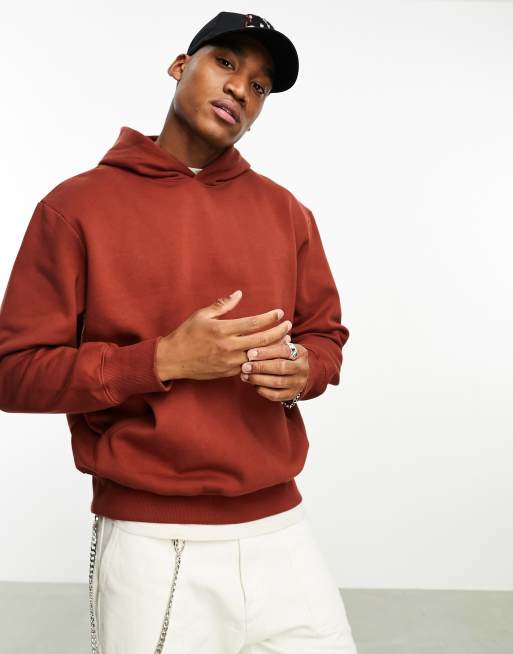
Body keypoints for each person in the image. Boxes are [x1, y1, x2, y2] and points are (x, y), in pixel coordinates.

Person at [0, 10, 357, 654]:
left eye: (259, 86)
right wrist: (162, 360)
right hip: (151, 546)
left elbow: (326, 337)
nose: (240, 89)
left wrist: (305, 368)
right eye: (226, 63)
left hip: (283, 534)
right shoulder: (74, 208)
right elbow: (15, 373)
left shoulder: (287, 212)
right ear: (179, 65)